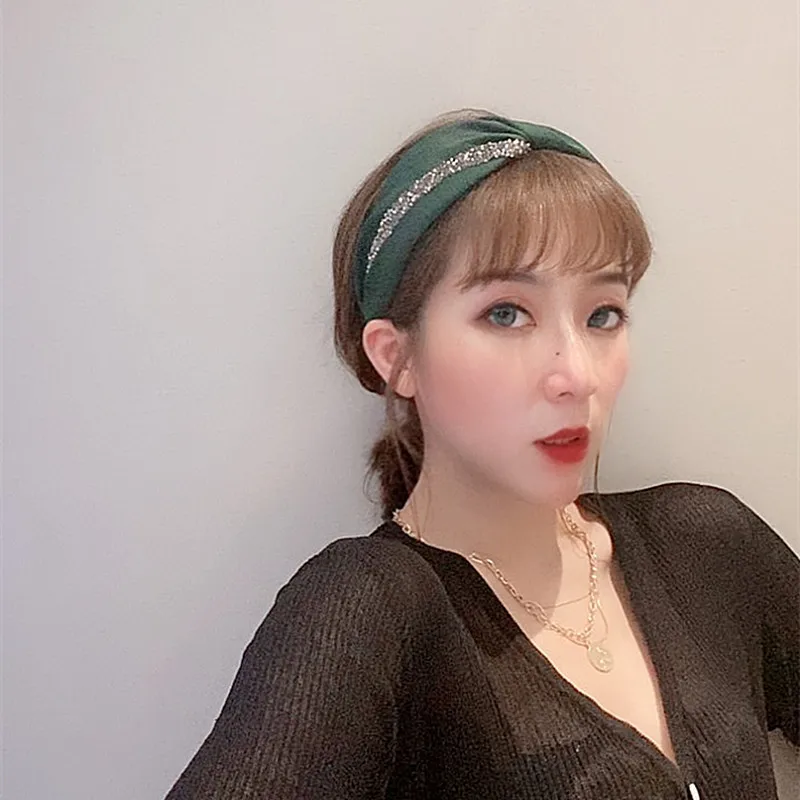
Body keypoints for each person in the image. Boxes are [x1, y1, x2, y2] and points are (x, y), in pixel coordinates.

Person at [165, 110, 799, 799]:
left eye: (603, 314)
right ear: (397, 357)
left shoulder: (704, 544)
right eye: (506, 314)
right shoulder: (369, 609)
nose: (577, 374)